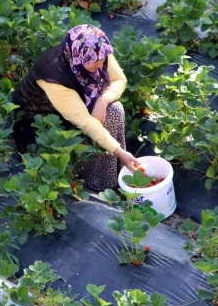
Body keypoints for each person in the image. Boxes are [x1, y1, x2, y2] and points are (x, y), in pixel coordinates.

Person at [12, 24, 138, 191]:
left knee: (114, 110)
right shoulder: (53, 76)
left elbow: (119, 80)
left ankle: (118, 174)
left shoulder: (98, 51)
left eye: (102, 62)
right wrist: (120, 152)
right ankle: (96, 182)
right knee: (101, 122)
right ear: (78, 59)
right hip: (45, 123)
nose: (100, 67)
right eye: (94, 64)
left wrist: (103, 100)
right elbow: (85, 121)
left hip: (77, 107)